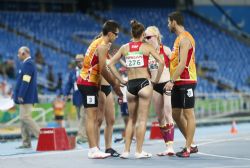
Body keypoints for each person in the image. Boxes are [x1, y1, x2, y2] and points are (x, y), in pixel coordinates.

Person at [108, 20, 164, 159]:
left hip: (130, 85)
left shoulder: (124, 47)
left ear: (131, 33)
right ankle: (139, 151)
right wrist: (155, 81)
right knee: (142, 120)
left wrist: (121, 80)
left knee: (131, 120)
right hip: (144, 83)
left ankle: (126, 151)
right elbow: (161, 62)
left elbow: (109, 64)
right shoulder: (146, 47)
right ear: (143, 34)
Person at [77, 20, 122, 159]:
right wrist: (115, 84)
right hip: (88, 82)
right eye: (116, 34)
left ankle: (95, 148)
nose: (117, 37)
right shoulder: (102, 45)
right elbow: (103, 69)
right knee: (92, 117)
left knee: (93, 116)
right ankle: (93, 149)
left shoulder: (99, 43)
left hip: (89, 82)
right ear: (110, 33)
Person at [164, 11, 198, 157]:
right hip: (178, 81)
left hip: (186, 80)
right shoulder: (178, 40)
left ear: (174, 22)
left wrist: (171, 81)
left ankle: (188, 148)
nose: (168, 25)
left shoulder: (185, 39)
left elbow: (183, 63)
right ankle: (191, 144)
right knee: (176, 114)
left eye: (168, 22)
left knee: (188, 113)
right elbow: (174, 61)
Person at [145, 26, 175, 156]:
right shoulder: (147, 52)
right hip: (155, 86)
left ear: (156, 36)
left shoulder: (166, 50)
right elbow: (145, 70)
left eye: (148, 37)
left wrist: (172, 81)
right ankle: (167, 145)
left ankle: (171, 147)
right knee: (160, 117)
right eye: (145, 37)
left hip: (166, 84)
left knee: (168, 111)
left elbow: (175, 65)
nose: (146, 39)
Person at [13, 46, 40, 149]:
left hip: (26, 97)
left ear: (24, 53)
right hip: (25, 96)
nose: (18, 55)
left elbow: (26, 81)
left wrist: (21, 95)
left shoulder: (28, 64)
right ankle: (26, 142)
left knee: (25, 117)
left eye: (19, 53)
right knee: (22, 119)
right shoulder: (26, 64)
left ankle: (42, 137)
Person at [64, 54, 87, 144]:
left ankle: (81, 136)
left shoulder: (88, 71)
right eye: (77, 61)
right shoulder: (72, 73)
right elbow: (69, 84)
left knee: (83, 117)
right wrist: (65, 94)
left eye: (80, 60)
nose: (79, 63)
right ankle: (85, 135)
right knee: (80, 117)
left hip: (85, 96)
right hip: (77, 97)